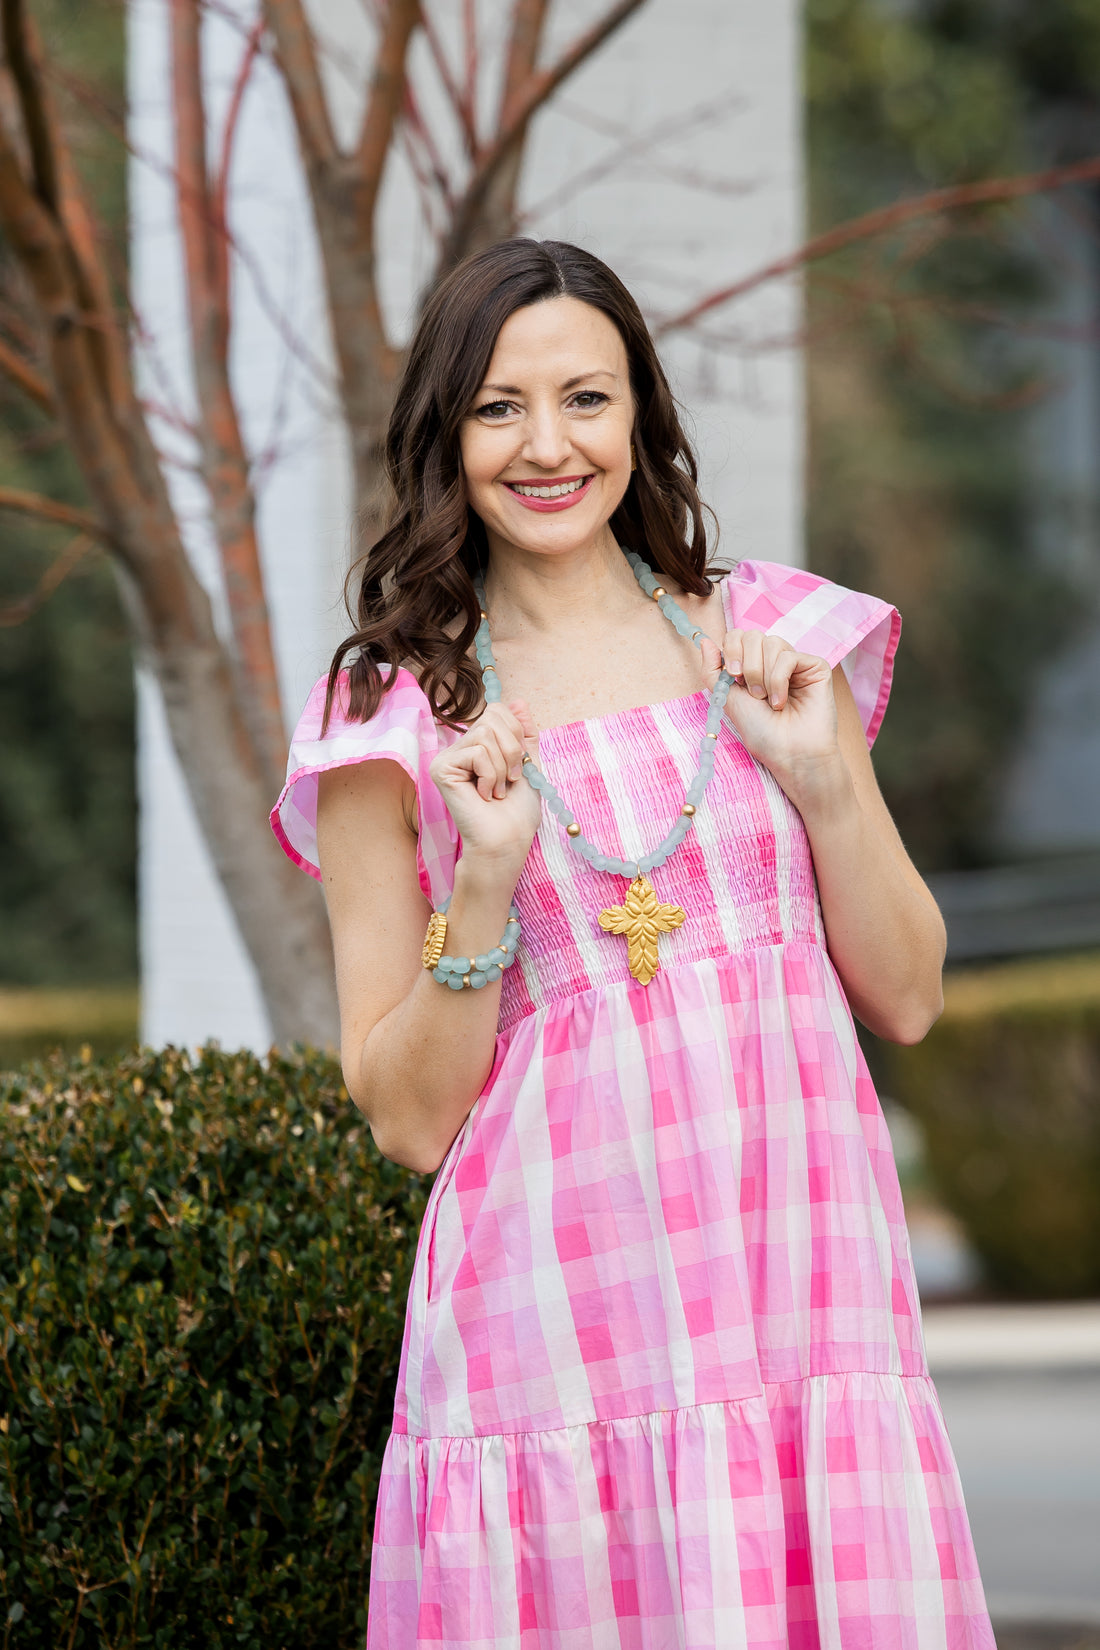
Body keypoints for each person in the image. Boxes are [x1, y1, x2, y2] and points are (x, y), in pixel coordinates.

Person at [271, 239, 994, 1649]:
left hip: (807, 1323)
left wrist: (825, 781)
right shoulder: (391, 712)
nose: (548, 445)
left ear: (641, 413)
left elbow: (905, 993)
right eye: (498, 408)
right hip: (552, 1348)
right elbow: (411, 1119)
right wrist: (482, 884)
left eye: (586, 399)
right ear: (445, 437)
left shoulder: (777, 642)